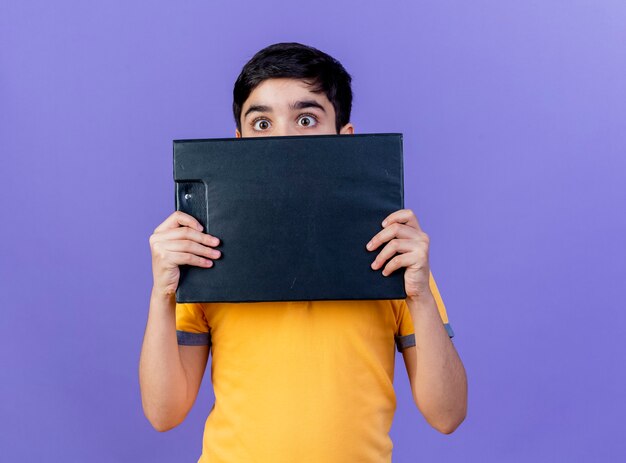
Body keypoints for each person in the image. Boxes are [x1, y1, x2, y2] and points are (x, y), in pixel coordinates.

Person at [139, 42, 467, 463]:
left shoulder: (391, 255)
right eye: (261, 124)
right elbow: (164, 413)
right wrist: (161, 294)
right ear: (238, 143)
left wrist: (419, 294)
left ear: (345, 138)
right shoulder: (208, 255)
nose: (283, 140)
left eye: (306, 119)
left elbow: (448, 415)